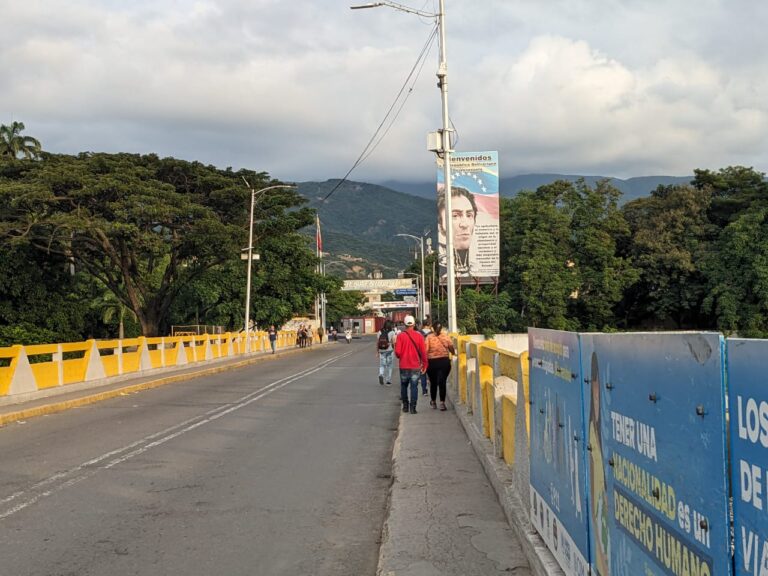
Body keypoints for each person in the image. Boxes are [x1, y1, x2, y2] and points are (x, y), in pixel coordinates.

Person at [437, 186, 478, 276]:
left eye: (469, 215)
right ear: (440, 226)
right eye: (455, 215)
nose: (464, 224)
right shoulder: (442, 268)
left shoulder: (481, 266)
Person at [394, 315, 428, 414]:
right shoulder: (419, 336)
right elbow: (423, 352)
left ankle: (405, 406)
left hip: (403, 366)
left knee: (404, 386)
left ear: (404, 324)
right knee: (414, 387)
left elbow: (397, 353)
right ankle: (413, 408)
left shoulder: (400, 336)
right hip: (415, 366)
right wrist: (425, 364)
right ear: (414, 324)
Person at [425, 321, 455, 411]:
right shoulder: (446, 336)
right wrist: (453, 353)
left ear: (433, 328)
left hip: (432, 362)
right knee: (442, 382)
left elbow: (425, 350)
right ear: (441, 328)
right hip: (444, 362)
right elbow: (451, 348)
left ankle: (433, 402)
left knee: (433, 382)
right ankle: (442, 403)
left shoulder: (429, 337)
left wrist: (424, 361)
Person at [376, 320, 396, 386]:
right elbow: (393, 342)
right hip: (390, 351)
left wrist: (377, 351)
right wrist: (394, 348)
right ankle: (388, 381)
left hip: (382, 351)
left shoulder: (379, 332)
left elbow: (378, 342)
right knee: (389, 366)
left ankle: (381, 374)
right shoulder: (392, 332)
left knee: (382, 365)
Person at [419, 318, 432, 396]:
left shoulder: (419, 333)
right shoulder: (432, 333)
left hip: (421, 355)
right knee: (431, 372)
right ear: (429, 325)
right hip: (431, 355)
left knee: (422, 373)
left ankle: (424, 391)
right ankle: (432, 388)